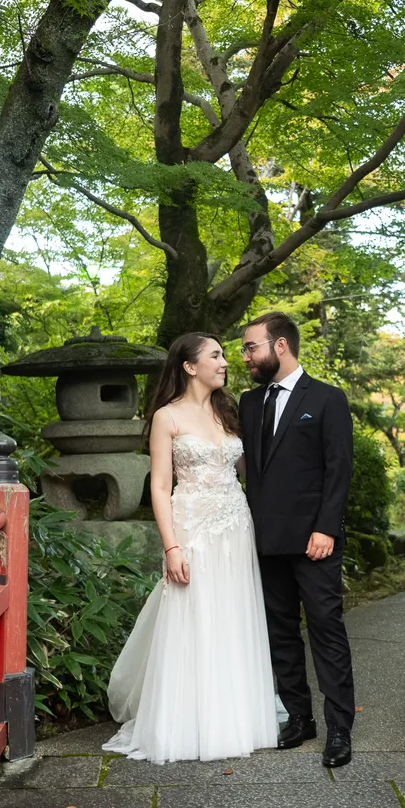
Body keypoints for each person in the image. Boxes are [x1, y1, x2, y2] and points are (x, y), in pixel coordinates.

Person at [103, 333, 281, 764]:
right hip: (192, 527)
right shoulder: (167, 417)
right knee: (194, 616)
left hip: (236, 525)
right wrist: (172, 547)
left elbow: (249, 469)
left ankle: (238, 717)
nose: (225, 362)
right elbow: (161, 488)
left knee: (233, 614)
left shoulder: (230, 411)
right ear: (189, 366)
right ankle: (188, 721)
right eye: (216, 356)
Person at [236, 311, 357, 769]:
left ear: (280, 345)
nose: (245, 356)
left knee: (327, 629)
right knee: (279, 631)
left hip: (315, 540)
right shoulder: (249, 403)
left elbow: (339, 469)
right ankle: (299, 718)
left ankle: (339, 729)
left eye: (252, 347)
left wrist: (325, 528)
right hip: (266, 539)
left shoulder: (327, 399)